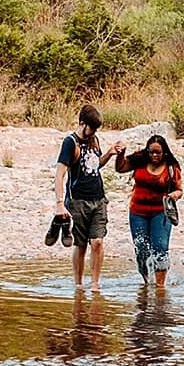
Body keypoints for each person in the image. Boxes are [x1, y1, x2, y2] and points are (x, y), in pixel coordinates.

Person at [114, 129, 183, 291]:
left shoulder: (171, 167)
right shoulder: (140, 160)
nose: (154, 155)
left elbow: (179, 189)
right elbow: (120, 168)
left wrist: (173, 195)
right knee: (142, 250)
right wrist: (120, 155)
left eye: (158, 152)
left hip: (161, 212)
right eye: (151, 152)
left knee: (160, 248)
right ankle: (147, 283)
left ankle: (159, 287)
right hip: (138, 212)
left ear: (164, 152)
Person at [54, 102, 111, 294]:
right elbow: (60, 173)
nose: (94, 132)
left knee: (98, 242)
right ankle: (78, 284)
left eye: (96, 129)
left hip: (99, 199)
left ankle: (95, 284)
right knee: (80, 244)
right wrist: (60, 204)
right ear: (81, 123)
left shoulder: (94, 140)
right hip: (77, 201)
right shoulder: (70, 142)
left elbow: (94, 165)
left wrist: (110, 154)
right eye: (91, 128)